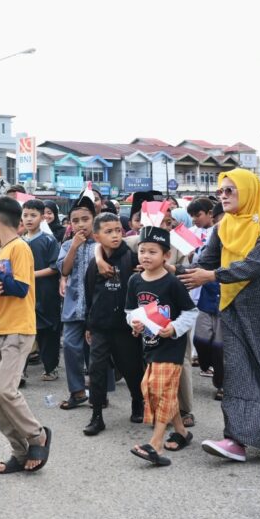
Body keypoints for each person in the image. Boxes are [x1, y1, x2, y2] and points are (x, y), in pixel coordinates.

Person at [180, 169, 260, 462]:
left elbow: (254, 265)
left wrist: (210, 276)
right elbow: (204, 262)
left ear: (248, 191)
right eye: (220, 192)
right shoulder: (223, 227)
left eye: (229, 191)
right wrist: (161, 271)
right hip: (236, 306)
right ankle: (236, 439)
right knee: (237, 371)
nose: (222, 196)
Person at [0, 196, 51, 474]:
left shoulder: (20, 248)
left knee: (4, 390)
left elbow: (20, 288)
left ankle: (37, 435)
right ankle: (19, 453)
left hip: (19, 328)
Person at [127, 227, 198, 467]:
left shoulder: (172, 283)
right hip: (149, 344)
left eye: (152, 252)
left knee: (160, 389)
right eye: (142, 251)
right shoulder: (134, 280)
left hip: (172, 346)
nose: (146, 256)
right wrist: (134, 324)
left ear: (166, 256)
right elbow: (130, 312)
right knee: (156, 388)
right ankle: (182, 432)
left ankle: (155, 444)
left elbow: (190, 312)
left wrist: (175, 328)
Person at [83, 212, 143, 436]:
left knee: (132, 368)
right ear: (97, 236)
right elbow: (89, 295)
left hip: (125, 327)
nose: (115, 235)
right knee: (96, 370)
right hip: (100, 326)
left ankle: (138, 401)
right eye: (108, 232)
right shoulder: (94, 263)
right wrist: (88, 325)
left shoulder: (132, 257)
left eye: (118, 230)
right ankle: (96, 415)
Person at [56, 194, 96, 409]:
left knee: (98, 352)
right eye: (75, 220)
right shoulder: (68, 244)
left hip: (97, 308)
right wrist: (73, 247)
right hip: (73, 306)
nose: (80, 224)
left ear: (94, 219)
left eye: (85, 219)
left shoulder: (102, 243)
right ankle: (77, 392)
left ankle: (99, 393)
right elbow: (64, 269)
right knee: (71, 346)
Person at [22, 199, 62, 381]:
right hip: (24, 294)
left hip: (45, 293)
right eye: (25, 215)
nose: (29, 219)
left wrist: (31, 275)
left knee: (48, 333)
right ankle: (19, 370)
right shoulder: (19, 241)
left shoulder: (48, 240)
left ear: (42, 218)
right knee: (23, 333)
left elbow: (55, 267)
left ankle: (50, 368)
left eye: (33, 215)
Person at [187, 197, 223, 398]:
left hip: (224, 291)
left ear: (211, 214)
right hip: (203, 292)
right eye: (191, 216)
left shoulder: (228, 232)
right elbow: (198, 262)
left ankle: (222, 383)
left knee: (220, 344)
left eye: (198, 215)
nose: (194, 219)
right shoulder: (193, 235)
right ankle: (206, 363)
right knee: (200, 338)